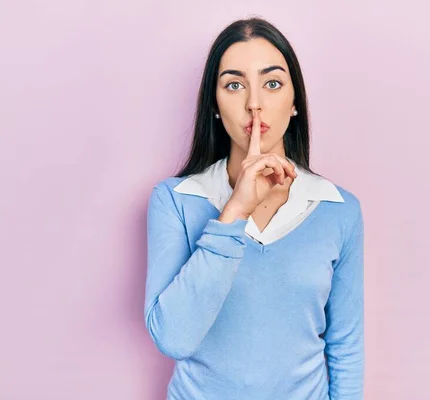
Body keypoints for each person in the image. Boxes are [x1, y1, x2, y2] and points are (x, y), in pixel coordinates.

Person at [144, 17, 365, 400]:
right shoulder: (175, 200)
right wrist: (234, 213)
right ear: (214, 104)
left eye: (272, 83)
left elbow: (345, 346)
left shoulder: (338, 210)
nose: (254, 103)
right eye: (234, 85)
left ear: (295, 103)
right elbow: (174, 337)